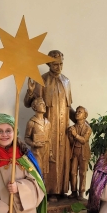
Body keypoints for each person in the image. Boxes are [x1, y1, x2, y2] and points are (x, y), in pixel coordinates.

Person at [23, 50, 75, 201]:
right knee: (49, 160)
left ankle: (61, 190)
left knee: (62, 159)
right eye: (55, 64)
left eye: (61, 64)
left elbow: (68, 107)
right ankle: (49, 191)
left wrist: (80, 121)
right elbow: (28, 104)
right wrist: (30, 92)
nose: (59, 67)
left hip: (63, 128)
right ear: (48, 64)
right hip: (47, 128)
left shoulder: (66, 81)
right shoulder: (41, 80)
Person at [67, 106, 92, 200]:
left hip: (83, 153)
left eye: (80, 112)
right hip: (74, 152)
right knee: (73, 172)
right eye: (76, 111)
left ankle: (81, 192)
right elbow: (71, 142)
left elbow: (84, 140)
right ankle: (74, 191)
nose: (77, 113)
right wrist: (70, 135)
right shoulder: (72, 128)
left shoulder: (87, 128)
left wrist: (75, 135)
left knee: (82, 173)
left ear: (85, 116)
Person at [24, 97, 52, 175]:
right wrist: (34, 144)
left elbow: (49, 138)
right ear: (34, 107)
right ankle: (37, 187)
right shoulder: (31, 122)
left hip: (46, 150)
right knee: (38, 172)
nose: (44, 106)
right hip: (37, 151)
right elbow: (26, 138)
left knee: (45, 173)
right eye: (41, 104)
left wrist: (50, 151)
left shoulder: (48, 123)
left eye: (44, 104)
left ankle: (44, 187)